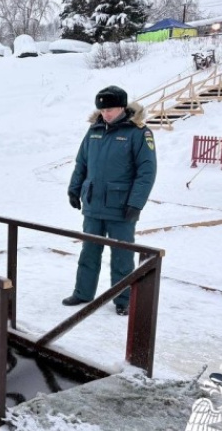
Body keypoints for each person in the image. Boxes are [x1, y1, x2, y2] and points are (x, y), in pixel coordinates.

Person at [63, 86, 157, 316]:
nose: (106, 114)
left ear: (123, 107)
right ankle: (83, 292)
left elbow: (147, 172)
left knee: (122, 257)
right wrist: (74, 190)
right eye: (103, 109)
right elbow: (81, 164)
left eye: (111, 109)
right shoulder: (93, 131)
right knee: (89, 252)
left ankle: (124, 300)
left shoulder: (139, 133)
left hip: (122, 207)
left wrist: (136, 203)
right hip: (93, 204)